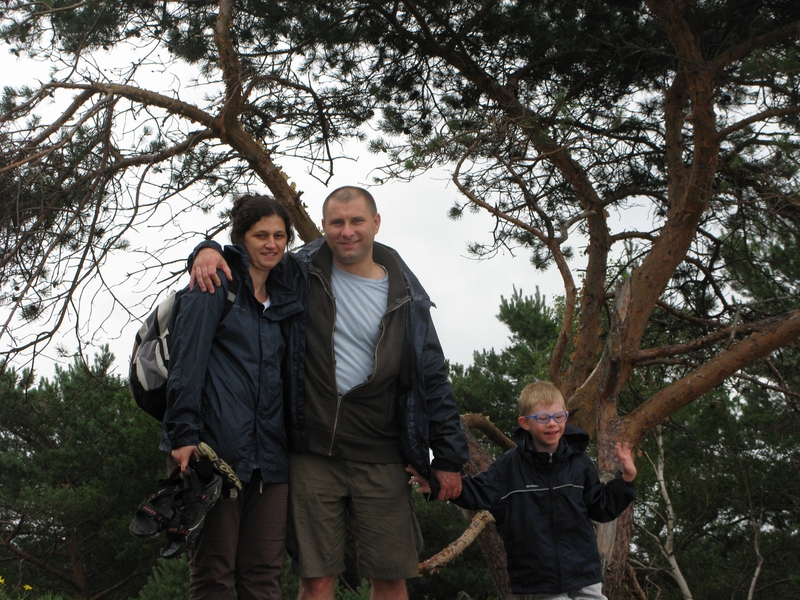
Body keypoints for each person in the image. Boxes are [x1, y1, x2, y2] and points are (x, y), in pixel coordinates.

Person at [190, 186, 470, 600]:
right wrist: (206, 248)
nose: (347, 231)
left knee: (391, 577)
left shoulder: (407, 294)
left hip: (382, 452)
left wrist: (448, 456)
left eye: (357, 221)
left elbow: (432, 377)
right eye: (337, 222)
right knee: (317, 580)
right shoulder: (297, 272)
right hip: (312, 453)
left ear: (376, 223)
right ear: (323, 227)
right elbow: (250, 256)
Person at [163, 194, 304, 600]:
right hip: (212, 453)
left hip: (270, 460)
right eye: (261, 235)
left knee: (265, 575)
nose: (271, 244)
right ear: (240, 238)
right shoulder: (213, 286)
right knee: (214, 574)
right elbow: (186, 365)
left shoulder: (285, 295)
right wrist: (183, 435)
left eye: (280, 235)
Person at [409, 381, 637, 599]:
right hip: (541, 578)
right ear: (525, 423)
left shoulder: (580, 463)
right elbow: (476, 490)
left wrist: (626, 479)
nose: (552, 424)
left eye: (559, 417)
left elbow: (601, 506)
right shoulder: (509, 467)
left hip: (584, 570)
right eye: (543, 418)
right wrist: (436, 485)